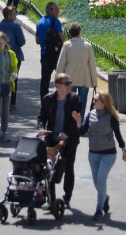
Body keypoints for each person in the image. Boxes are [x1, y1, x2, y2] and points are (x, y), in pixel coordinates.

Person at [73, 90, 126, 222]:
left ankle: (99, 209)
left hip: (108, 154)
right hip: (93, 154)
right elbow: (82, 132)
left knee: (101, 181)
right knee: (97, 183)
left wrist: (124, 150)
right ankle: (104, 198)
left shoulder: (111, 117)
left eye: (96, 100)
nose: (93, 101)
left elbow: (118, 135)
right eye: (94, 100)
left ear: (104, 103)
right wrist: (78, 122)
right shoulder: (90, 114)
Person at [38, 73, 82, 207]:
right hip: (51, 139)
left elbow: (76, 121)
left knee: (68, 168)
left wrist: (67, 133)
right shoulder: (48, 99)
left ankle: (67, 197)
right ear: (58, 86)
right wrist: (41, 128)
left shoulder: (75, 99)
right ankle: (51, 199)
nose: (70, 86)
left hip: (69, 140)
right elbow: (41, 117)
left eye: (70, 83)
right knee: (49, 168)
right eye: (67, 83)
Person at [56, 23, 99, 111]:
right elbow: (92, 65)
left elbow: (61, 64)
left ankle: (70, 122)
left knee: (69, 103)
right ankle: (80, 123)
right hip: (84, 79)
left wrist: (58, 79)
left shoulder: (67, 45)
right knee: (82, 105)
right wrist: (94, 82)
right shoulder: (87, 46)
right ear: (80, 32)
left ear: (70, 33)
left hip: (69, 78)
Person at [0, 5, 26, 107]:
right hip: (14, 55)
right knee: (13, 78)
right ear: (9, 15)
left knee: (0, 75)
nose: (16, 15)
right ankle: (12, 100)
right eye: (14, 13)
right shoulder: (16, 26)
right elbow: (21, 41)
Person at [36, 2, 64, 98]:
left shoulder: (40, 22)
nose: (58, 11)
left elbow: (37, 40)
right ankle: (62, 98)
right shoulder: (55, 21)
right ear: (49, 10)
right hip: (57, 55)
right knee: (61, 78)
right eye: (56, 9)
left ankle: (44, 101)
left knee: (45, 80)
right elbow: (62, 37)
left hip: (45, 54)